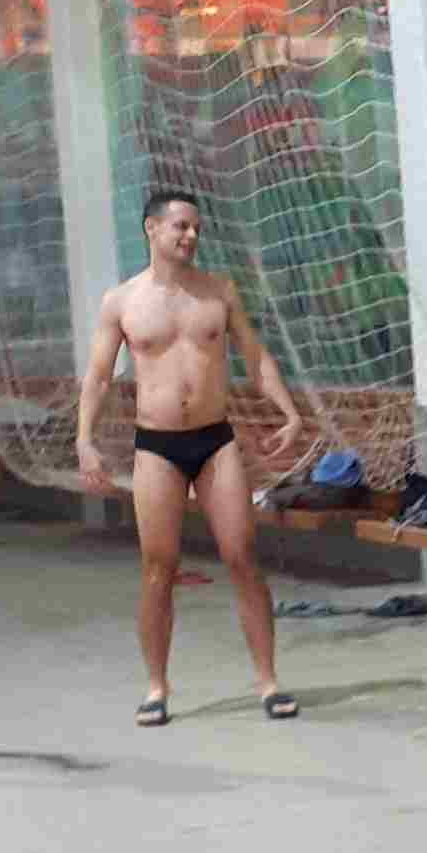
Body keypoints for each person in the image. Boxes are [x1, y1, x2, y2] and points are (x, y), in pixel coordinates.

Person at [79, 188, 314, 727]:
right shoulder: (121, 301)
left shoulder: (219, 292)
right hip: (157, 446)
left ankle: (268, 680)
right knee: (158, 568)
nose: (190, 236)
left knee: (242, 556)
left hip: (215, 441)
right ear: (152, 229)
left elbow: (255, 357)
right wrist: (84, 438)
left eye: (196, 229)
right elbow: (98, 376)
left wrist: (289, 412)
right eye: (181, 226)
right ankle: (156, 687)